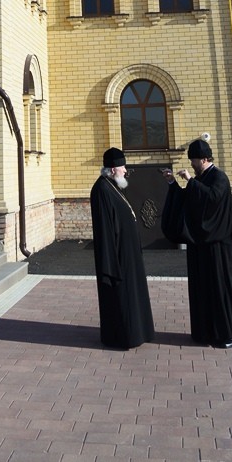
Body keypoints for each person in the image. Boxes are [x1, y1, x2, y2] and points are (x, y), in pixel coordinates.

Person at [161, 138, 232, 348]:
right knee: (202, 290)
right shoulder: (201, 178)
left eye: (194, 160)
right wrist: (173, 184)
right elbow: (190, 201)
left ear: (205, 159)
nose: (191, 164)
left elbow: (212, 198)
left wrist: (191, 181)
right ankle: (204, 331)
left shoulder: (219, 177)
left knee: (219, 290)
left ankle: (228, 334)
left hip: (217, 247)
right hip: (200, 245)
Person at [89, 147, 154, 349]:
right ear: (113, 168)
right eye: (123, 166)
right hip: (117, 257)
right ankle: (123, 336)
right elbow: (106, 230)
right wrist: (112, 261)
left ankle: (138, 331)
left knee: (133, 296)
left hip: (128, 255)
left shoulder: (113, 187)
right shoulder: (101, 190)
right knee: (122, 298)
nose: (126, 170)